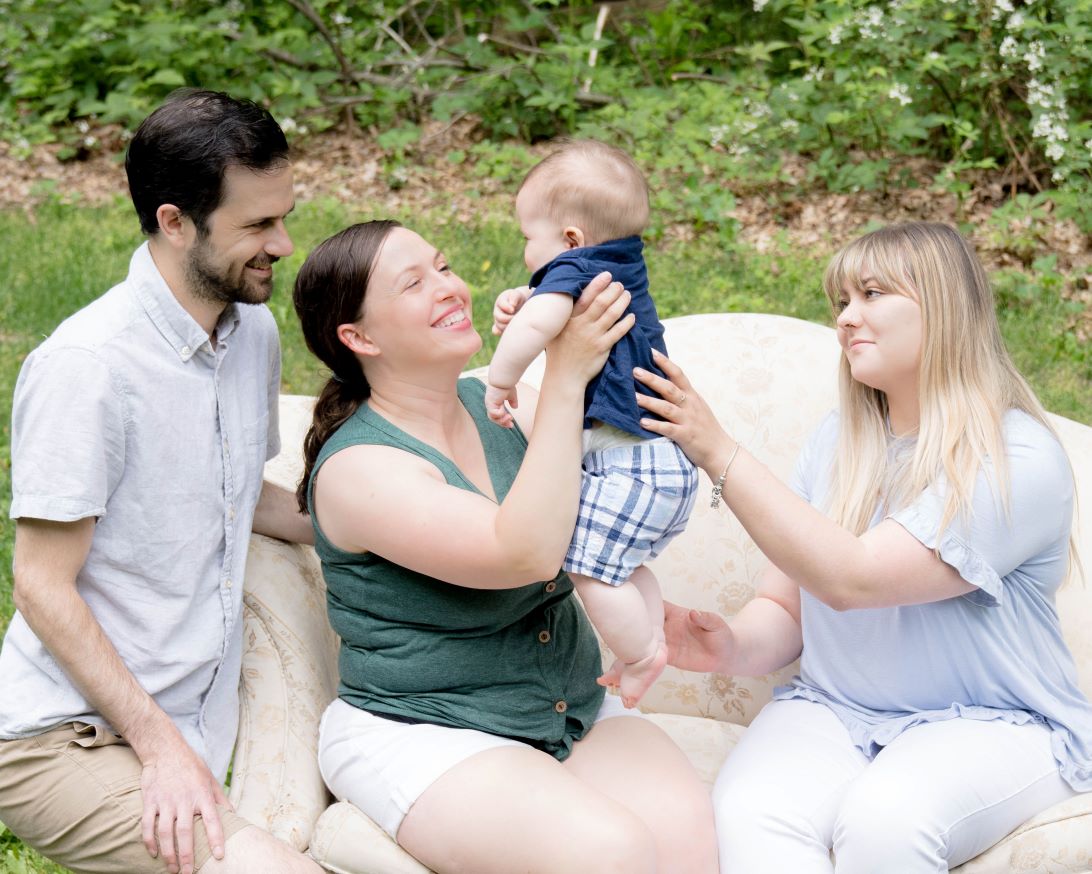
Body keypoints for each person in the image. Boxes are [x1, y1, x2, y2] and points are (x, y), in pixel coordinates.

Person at [631, 221, 1092, 873]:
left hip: (996, 723)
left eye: (872, 294)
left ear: (943, 308)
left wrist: (716, 447)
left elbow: (856, 579)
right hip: (834, 710)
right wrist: (729, 645)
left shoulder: (1016, 458)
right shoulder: (837, 442)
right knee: (750, 811)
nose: (848, 318)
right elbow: (787, 609)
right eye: (841, 301)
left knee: (886, 821)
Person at [291, 220, 718, 874]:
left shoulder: (502, 405)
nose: (449, 287)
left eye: (443, 266)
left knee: (689, 849)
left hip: (567, 709)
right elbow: (524, 554)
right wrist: (567, 372)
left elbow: (616, 482)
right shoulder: (360, 469)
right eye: (415, 283)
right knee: (613, 853)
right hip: (427, 732)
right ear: (359, 337)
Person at [0, 90, 320, 874]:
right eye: (256, 225)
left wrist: (389, 521)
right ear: (175, 222)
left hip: (186, 720)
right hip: (64, 736)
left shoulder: (254, 331)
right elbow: (41, 586)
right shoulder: (87, 370)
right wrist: (163, 751)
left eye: (282, 216)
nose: (282, 244)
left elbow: (241, 497)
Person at [486, 139, 697, 708]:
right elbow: (549, 309)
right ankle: (649, 633)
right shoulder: (620, 261)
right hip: (663, 463)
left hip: (629, 467)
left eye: (530, 238)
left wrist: (500, 377)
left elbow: (538, 329)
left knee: (589, 571)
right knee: (622, 569)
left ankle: (641, 655)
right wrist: (527, 299)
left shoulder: (576, 269)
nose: (527, 250)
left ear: (572, 239)